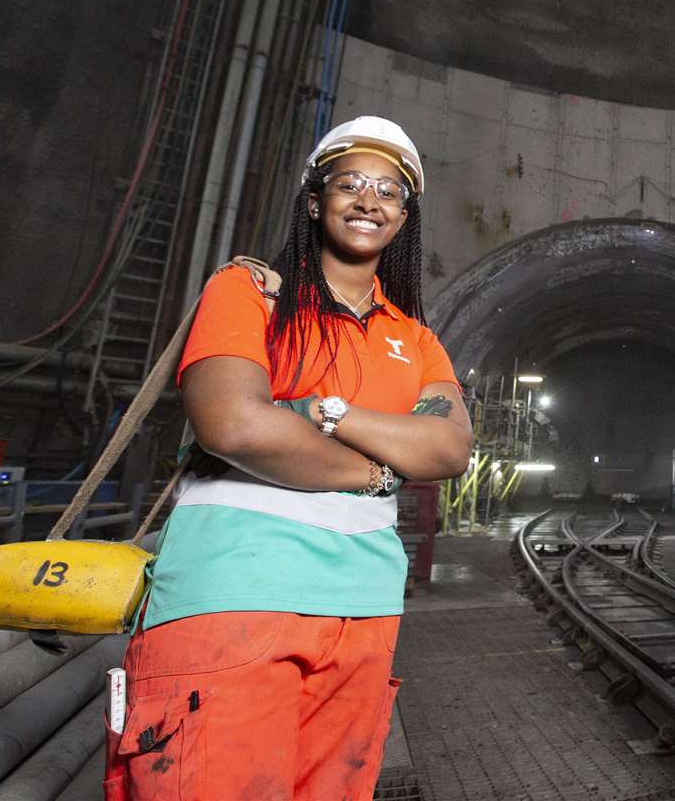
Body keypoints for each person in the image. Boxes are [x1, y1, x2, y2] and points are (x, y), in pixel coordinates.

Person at [104, 116, 473, 800]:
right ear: (315, 200)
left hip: (362, 611)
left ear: (404, 216)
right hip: (231, 600)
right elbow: (235, 426)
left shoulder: (414, 337)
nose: (370, 201)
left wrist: (325, 413)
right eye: (351, 184)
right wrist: (381, 465)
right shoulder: (251, 294)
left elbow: (449, 447)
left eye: (389, 191)